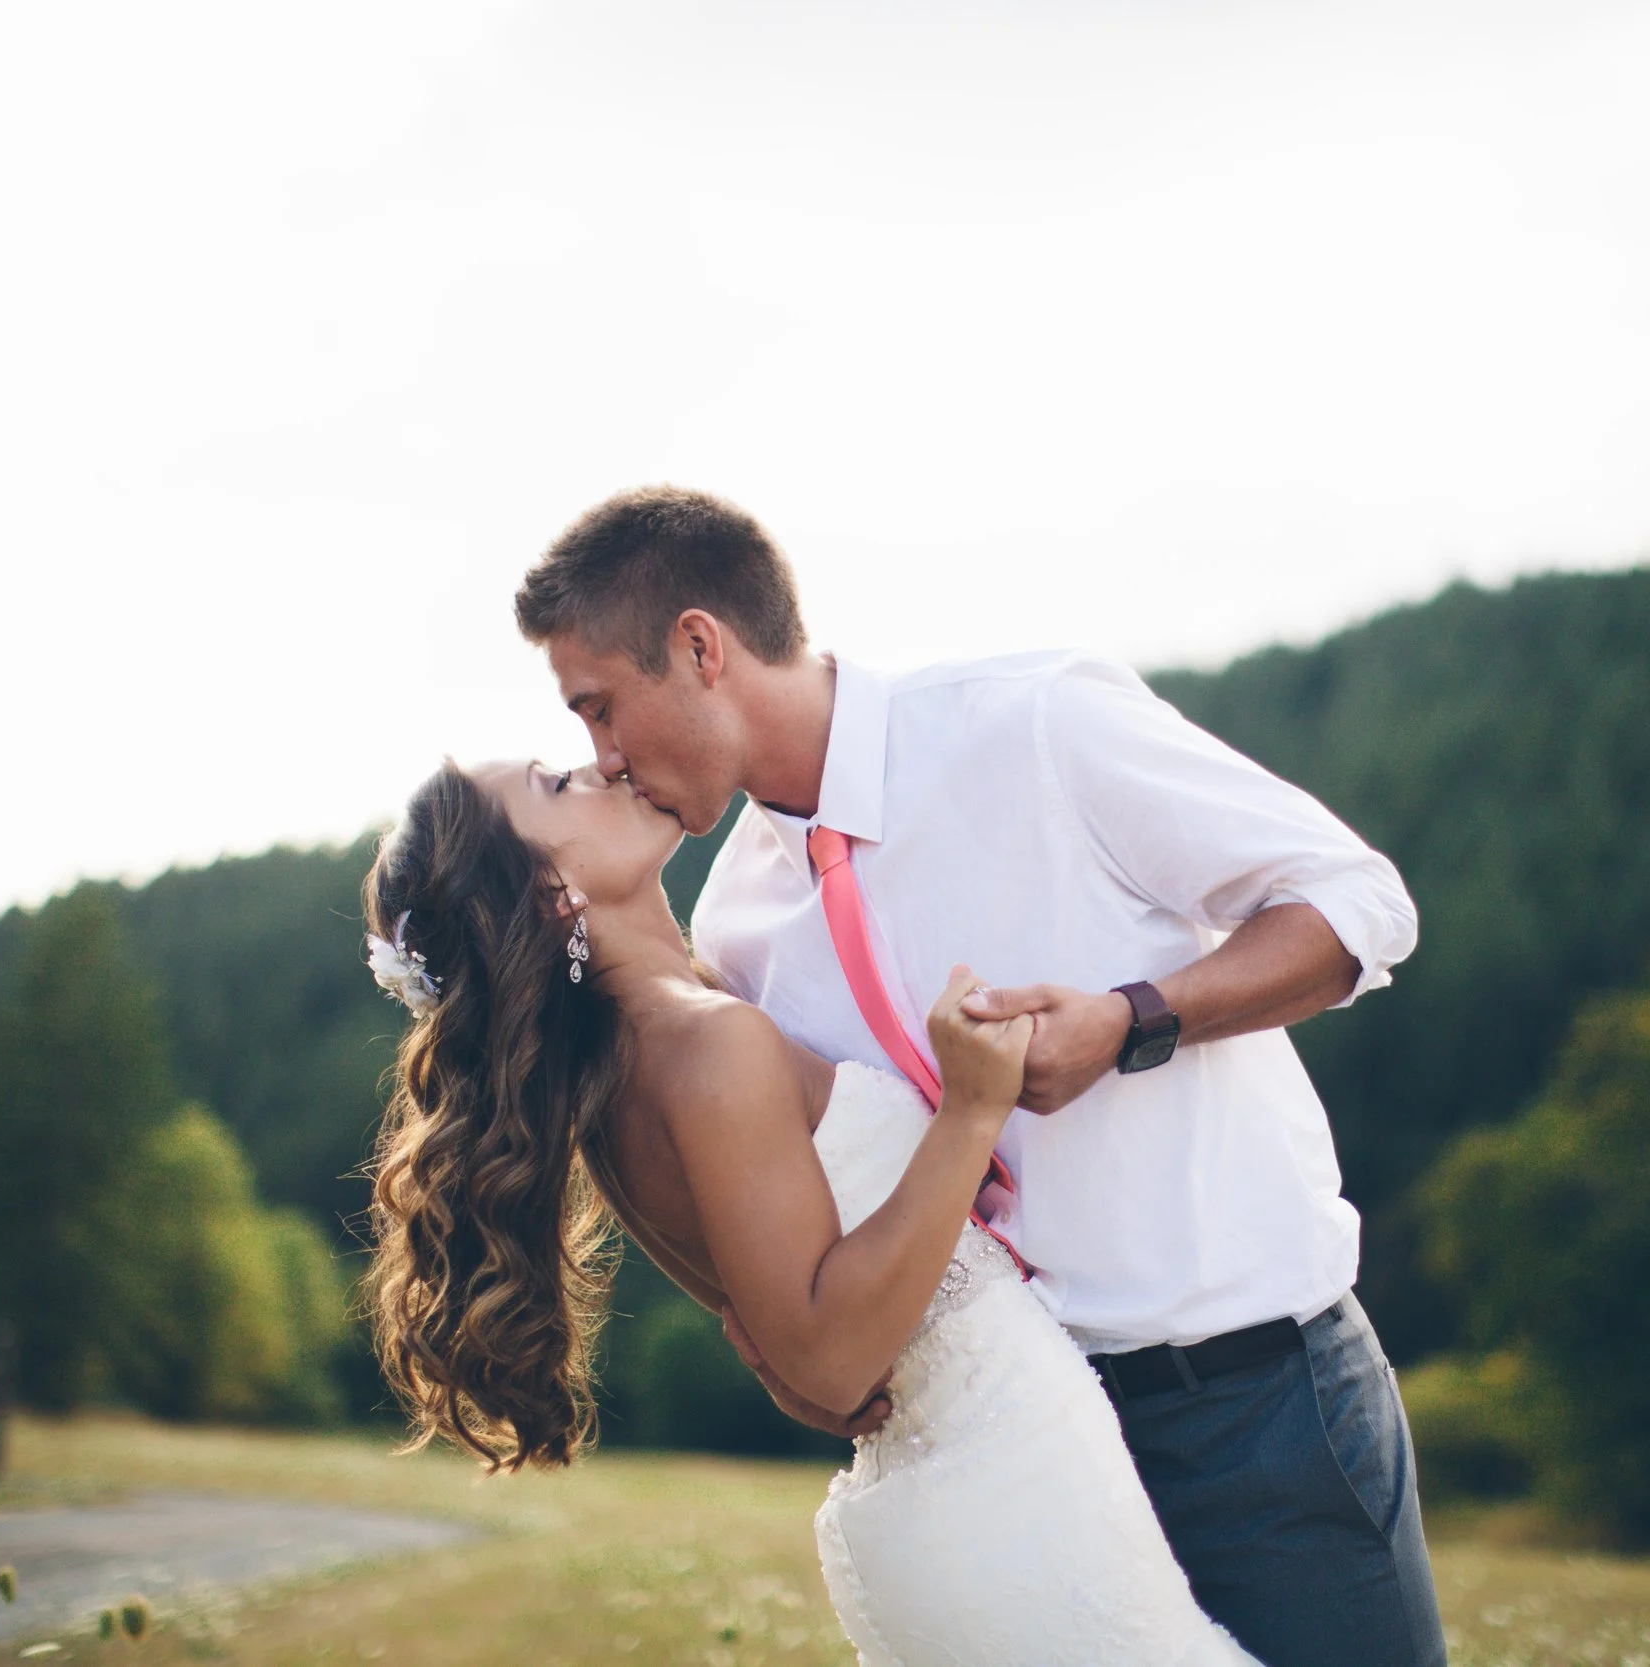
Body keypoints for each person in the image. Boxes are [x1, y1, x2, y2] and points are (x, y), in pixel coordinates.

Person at [513, 486, 1447, 1667]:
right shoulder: (735, 922)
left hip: (1250, 1407)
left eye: (602, 707)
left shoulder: (1035, 724)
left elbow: (1362, 903)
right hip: (1012, 1466)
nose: (601, 756)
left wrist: (1131, 1018)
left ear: (700, 647)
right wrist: (785, 1355)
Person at [361, 759, 1258, 1665]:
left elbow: (769, 1322)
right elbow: (830, 1360)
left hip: (968, 1495)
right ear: (557, 890)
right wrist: (970, 1110)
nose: (596, 764)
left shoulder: (628, 1074)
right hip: (1004, 1489)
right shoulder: (709, 1045)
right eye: (554, 785)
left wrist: (790, 1356)